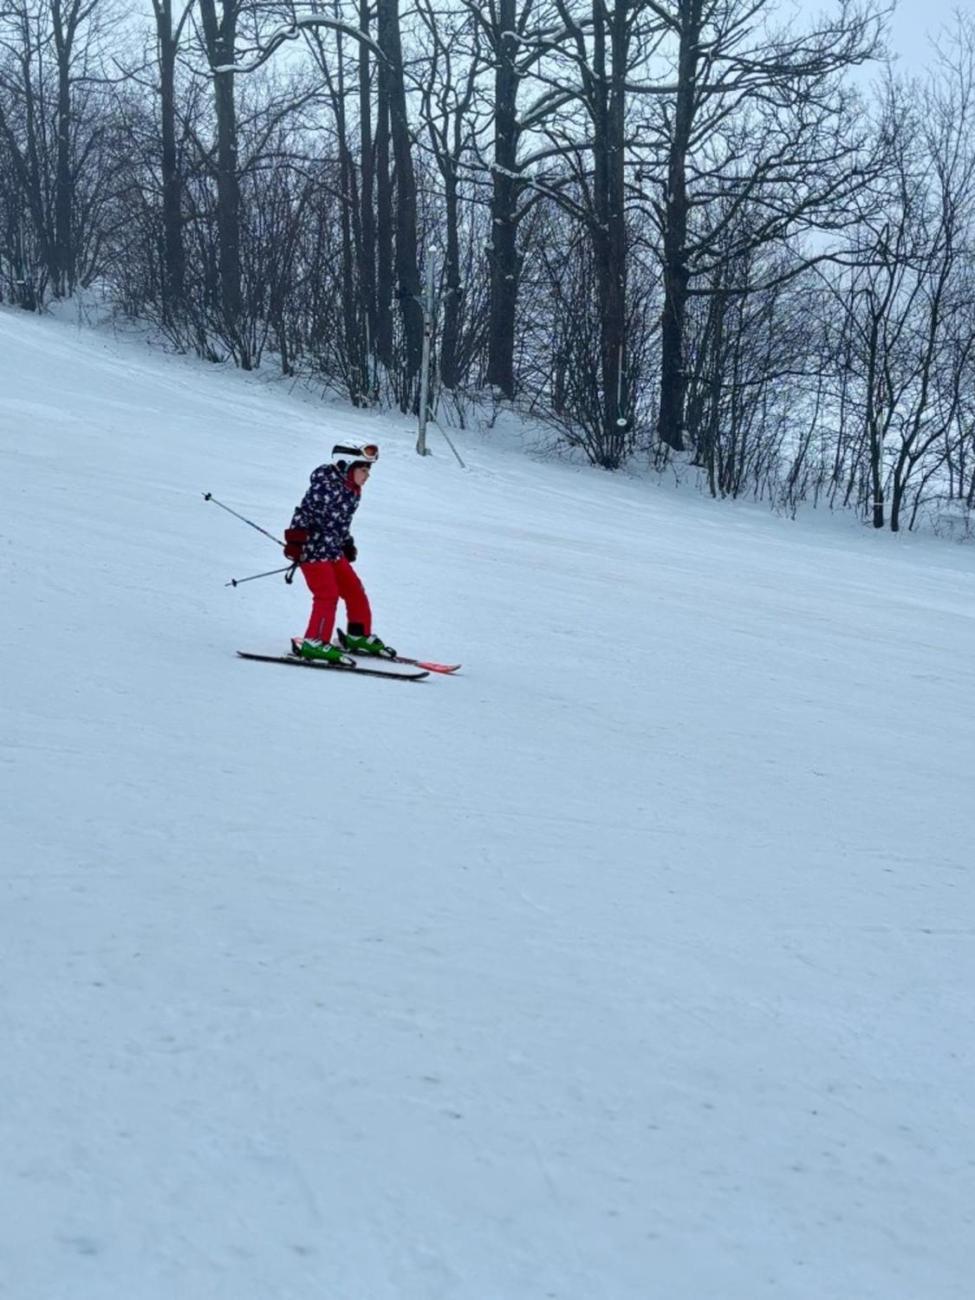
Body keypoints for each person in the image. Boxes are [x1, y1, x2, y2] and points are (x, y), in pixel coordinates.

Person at [284, 443, 396, 663]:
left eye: (368, 471)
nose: (367, 476)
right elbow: (304, 512)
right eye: (363, 470)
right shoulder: (325, 486)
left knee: (354, 590)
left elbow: (341, 522)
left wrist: (346, 542)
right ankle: (314, 642)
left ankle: (357, 635)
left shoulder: (352, 491)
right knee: (327, 595)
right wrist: (295, 542)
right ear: (346, 465)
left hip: (333, 550)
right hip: (313, 552)